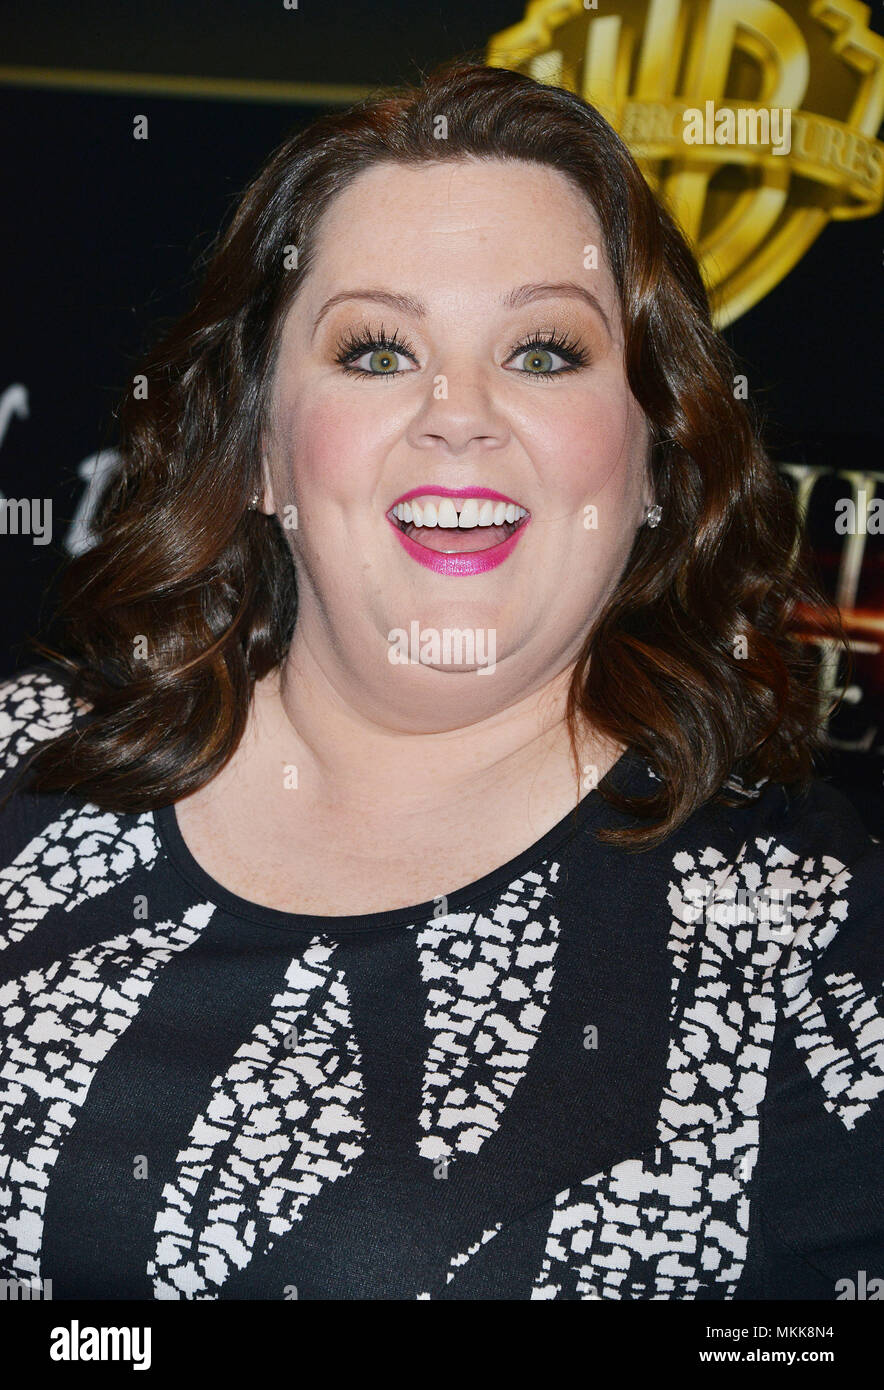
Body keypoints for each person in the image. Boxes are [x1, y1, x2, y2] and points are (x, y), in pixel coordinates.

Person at [0, 61, 880, 1301]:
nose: (456, 413)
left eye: (541, 350)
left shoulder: (807, 944)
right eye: (375, 351)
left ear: (651, 460)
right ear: (262, 450)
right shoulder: (25, 760)